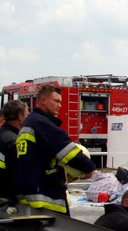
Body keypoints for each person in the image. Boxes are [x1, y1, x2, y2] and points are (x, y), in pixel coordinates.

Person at [13, 84, 96, 214]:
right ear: (42, 100)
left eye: (60, 102)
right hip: (46, 194)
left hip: (31, 190)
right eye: (56, 101)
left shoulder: (30, 122)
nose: (60, 105)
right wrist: (89, 168)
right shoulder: (41, 123)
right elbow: (67, 151)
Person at [0, 101, 29, 207]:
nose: (29, 118)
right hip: (6, 198)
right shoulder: (13, 141)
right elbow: (18, 176)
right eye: (27, 115)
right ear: (20, 116)